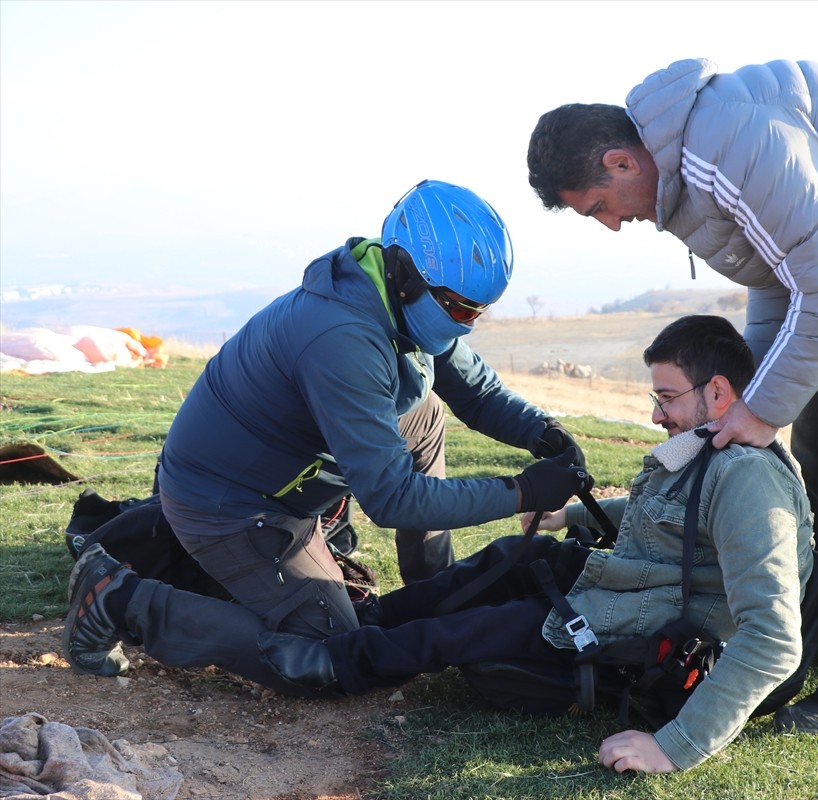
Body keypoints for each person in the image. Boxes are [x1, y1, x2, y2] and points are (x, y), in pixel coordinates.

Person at [527, 59, 818, 737]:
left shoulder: (727, 143)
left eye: (601, 205)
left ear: (621, 161)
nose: (610, 225)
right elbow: (783, 280)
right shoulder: (691, 163)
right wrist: (742, 402)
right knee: (814, 461)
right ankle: (815, 642)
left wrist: (759, 410)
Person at [62, 180, 590, 688]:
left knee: (422, 414)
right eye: (458, 307)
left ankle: (431, 591)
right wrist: (521, 492)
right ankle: (118, 599)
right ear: (406, 271)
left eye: (479, 311)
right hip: (230, 504)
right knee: (332, 653)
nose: (467, 323)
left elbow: (475, 391)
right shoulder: (343, 338)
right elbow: (392, 498)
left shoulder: (399, 296)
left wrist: (543, 433)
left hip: (288, 474)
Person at [254, 314, 816, 773]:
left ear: (717, 391)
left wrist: (674, 746)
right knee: (509, 558)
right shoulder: (708, 450)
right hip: (634, 586)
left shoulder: (747, 478)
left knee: (483, 628)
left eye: (666, 398)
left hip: (651, 626)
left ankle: (335, 662)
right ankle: (365, 619)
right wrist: (568, 515)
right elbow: (677, 521)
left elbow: (771, 637)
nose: (654, 413)